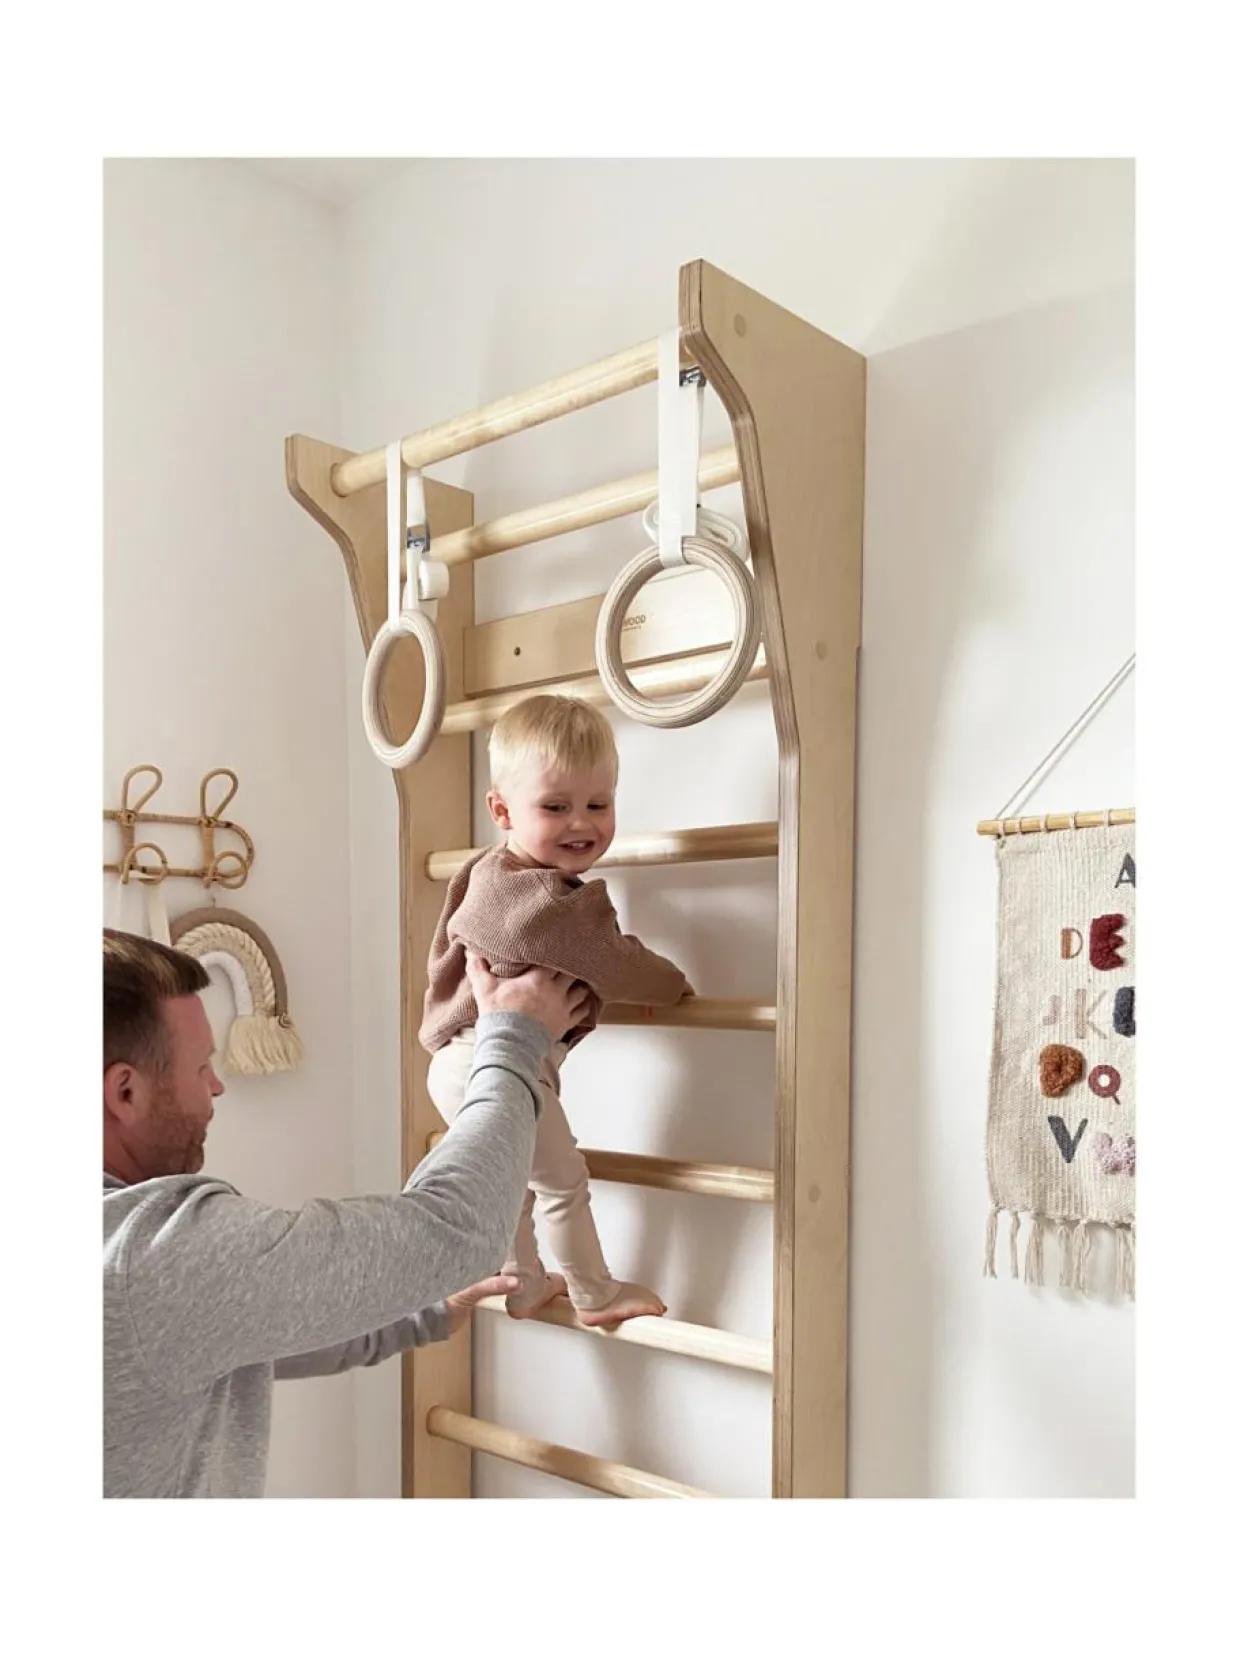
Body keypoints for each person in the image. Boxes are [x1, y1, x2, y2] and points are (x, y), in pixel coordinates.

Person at [103, 925, 588, 1498]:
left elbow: (238, 1327)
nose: (215, 1087)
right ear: (125, 1092)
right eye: (200, 1067)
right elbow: (459, 1228)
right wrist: (513, 1037)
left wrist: (425, 1309)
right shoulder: (151, 1254)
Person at [420, 693, 693, 1329]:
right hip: (495, 1066)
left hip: (454, 1065)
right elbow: (622, 964)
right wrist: (674, 985)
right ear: (501, 810)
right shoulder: (552, 905)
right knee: (561, 1182)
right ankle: (594, 1293)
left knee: (512, 1183)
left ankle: (523, 1282)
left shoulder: (485, 873)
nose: (581, 823)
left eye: (598, 805)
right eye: (555, 806)